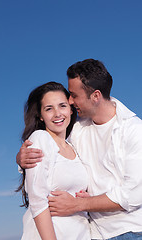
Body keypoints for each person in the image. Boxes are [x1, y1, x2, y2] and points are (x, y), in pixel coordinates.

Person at [16, 59, 142, 240]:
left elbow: (133, 195)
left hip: (126, 231)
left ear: (95, 96)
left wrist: (77, 205)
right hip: (94, 233)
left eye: (73, 95)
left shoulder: (134, 130)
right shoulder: (76, 129)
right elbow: (47, 149)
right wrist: (21, 159)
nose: (69, 100)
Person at [17, 81, 91, 240]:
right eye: (49, 109)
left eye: (62, 106)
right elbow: (38, 201)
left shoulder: (73, 146)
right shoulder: (40, 139)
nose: (58, 113)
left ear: (71, 110)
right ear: (41, 116)